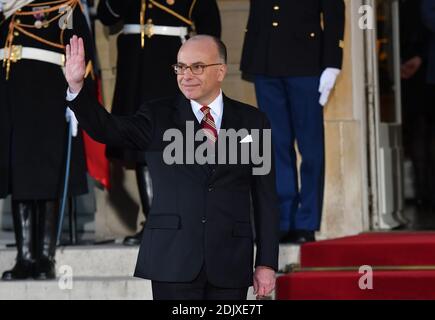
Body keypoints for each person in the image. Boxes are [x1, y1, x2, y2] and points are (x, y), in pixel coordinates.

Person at [65, 34, 279, 300]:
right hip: (172, 261)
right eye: (180, 67)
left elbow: (266, 197)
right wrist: (77, 88)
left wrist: (267, 262)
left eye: (197, 67)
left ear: (221, 71)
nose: (186, 75)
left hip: (230, 262)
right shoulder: (157, 115)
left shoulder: (253, 122)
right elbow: (108, 128)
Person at [97, 0, 221, 246]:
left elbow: (210, 28)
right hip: (134, 65)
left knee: (174, 144)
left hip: (171, 64)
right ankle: (154, 220)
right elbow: (107, 15)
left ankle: (182, 219)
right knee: (141, 144)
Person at [0, 0, 95, 280]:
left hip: (48, 97)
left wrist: (75, 94)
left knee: (46, 174)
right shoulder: (8, 6)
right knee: (20, 177)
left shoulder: (63, 6)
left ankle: (44, 258)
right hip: (11, 99)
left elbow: (81, 51)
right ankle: (24, 257)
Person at [240, 0, 345, 243]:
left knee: (310, 147)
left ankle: (306, 222)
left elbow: (334, 13)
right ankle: (283, 219)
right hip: (265, 61)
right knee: (276, 146)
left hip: (306, 61)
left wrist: (332, 62)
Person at [400, 0, 435, 211]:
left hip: (422, 71)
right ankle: (425, 193)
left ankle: (425, 193)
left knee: (423, 135)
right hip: (421, 77)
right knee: (421, 134)